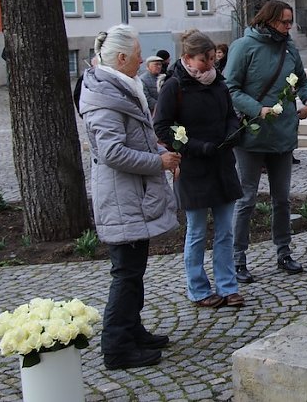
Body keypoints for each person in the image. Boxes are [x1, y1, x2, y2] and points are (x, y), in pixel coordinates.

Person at [78, 24, 180, 370]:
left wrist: (158, 148)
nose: (142, 61)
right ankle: (117, 346)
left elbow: (130, 140)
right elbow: (111, 152)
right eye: (137, 55)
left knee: (133, 271)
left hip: (132, 196)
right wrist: (158, 161)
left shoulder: (119, 88)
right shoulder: (106, 96)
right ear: (121, 58)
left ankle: (131, 330)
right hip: (122, 198)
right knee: (125, 273)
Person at [224, 0, 307, 284]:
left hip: (283, 133)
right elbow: (231, 88)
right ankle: (237, 259)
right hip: (252, 134)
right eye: (284, 22)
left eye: (291, 22)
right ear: (269, 20)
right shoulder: (244, 46)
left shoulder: (289, 47)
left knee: (282, 199)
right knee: (247, 198)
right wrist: (256, 109)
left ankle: (283, 252)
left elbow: (301, 80)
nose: (289, 27)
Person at [154, 29, 245, 309]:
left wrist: (234, 131)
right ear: (187, 59)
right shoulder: (174, 86)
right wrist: (195, 146)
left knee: (225, 231)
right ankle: (198, 289)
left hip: (221, 164)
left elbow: (230, 114)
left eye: (212, 58)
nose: (210, 64)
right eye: (204, 60)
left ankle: (228, 286)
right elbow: (162, 127)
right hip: (194, 168)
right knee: (195, 232)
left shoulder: (218, 83)